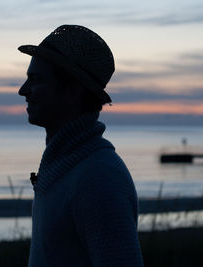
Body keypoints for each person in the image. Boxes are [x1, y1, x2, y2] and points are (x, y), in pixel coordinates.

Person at [17, 24, 144, 267]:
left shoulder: (99, 177)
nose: (23, 91)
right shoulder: (67, 166)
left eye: (35, 80)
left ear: (71, 92)